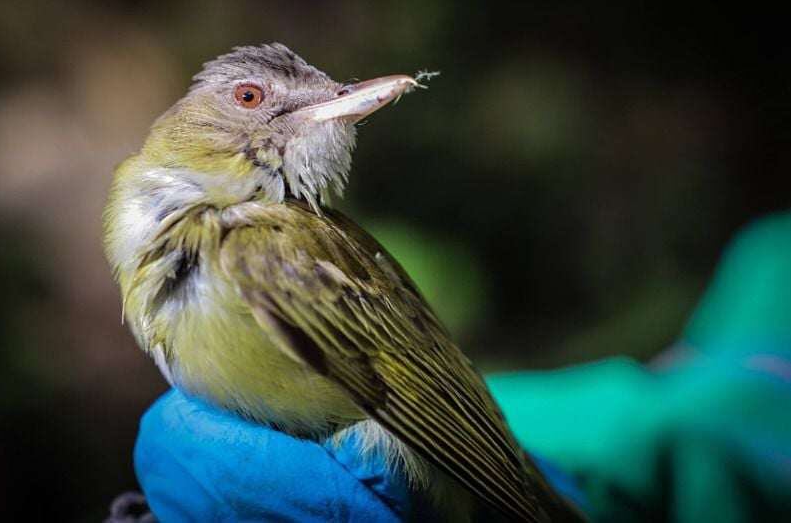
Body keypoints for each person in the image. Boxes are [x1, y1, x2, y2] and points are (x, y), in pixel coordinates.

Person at [115, 212, 791, 522]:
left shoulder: (266, 246)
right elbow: (719, 400)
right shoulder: (770, 261)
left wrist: (533, 489)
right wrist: (571, 470)